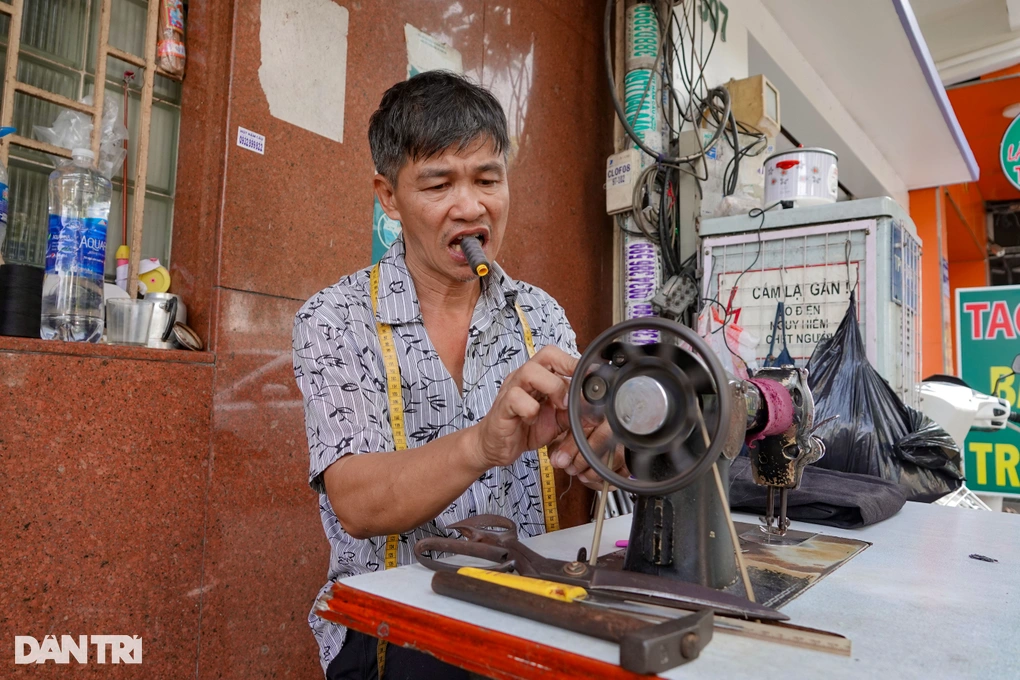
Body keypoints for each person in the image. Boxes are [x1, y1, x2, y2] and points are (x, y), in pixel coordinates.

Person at [293, 70, 625, 679]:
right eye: (438, 183)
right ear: (388, 196)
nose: (470, 207)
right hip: (392, 634)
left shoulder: (540, 315)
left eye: (487, 179)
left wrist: (600, 454)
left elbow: (592, 470)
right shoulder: (335, 318)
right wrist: (481, 443)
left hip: (530, 619)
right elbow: (358, 504)